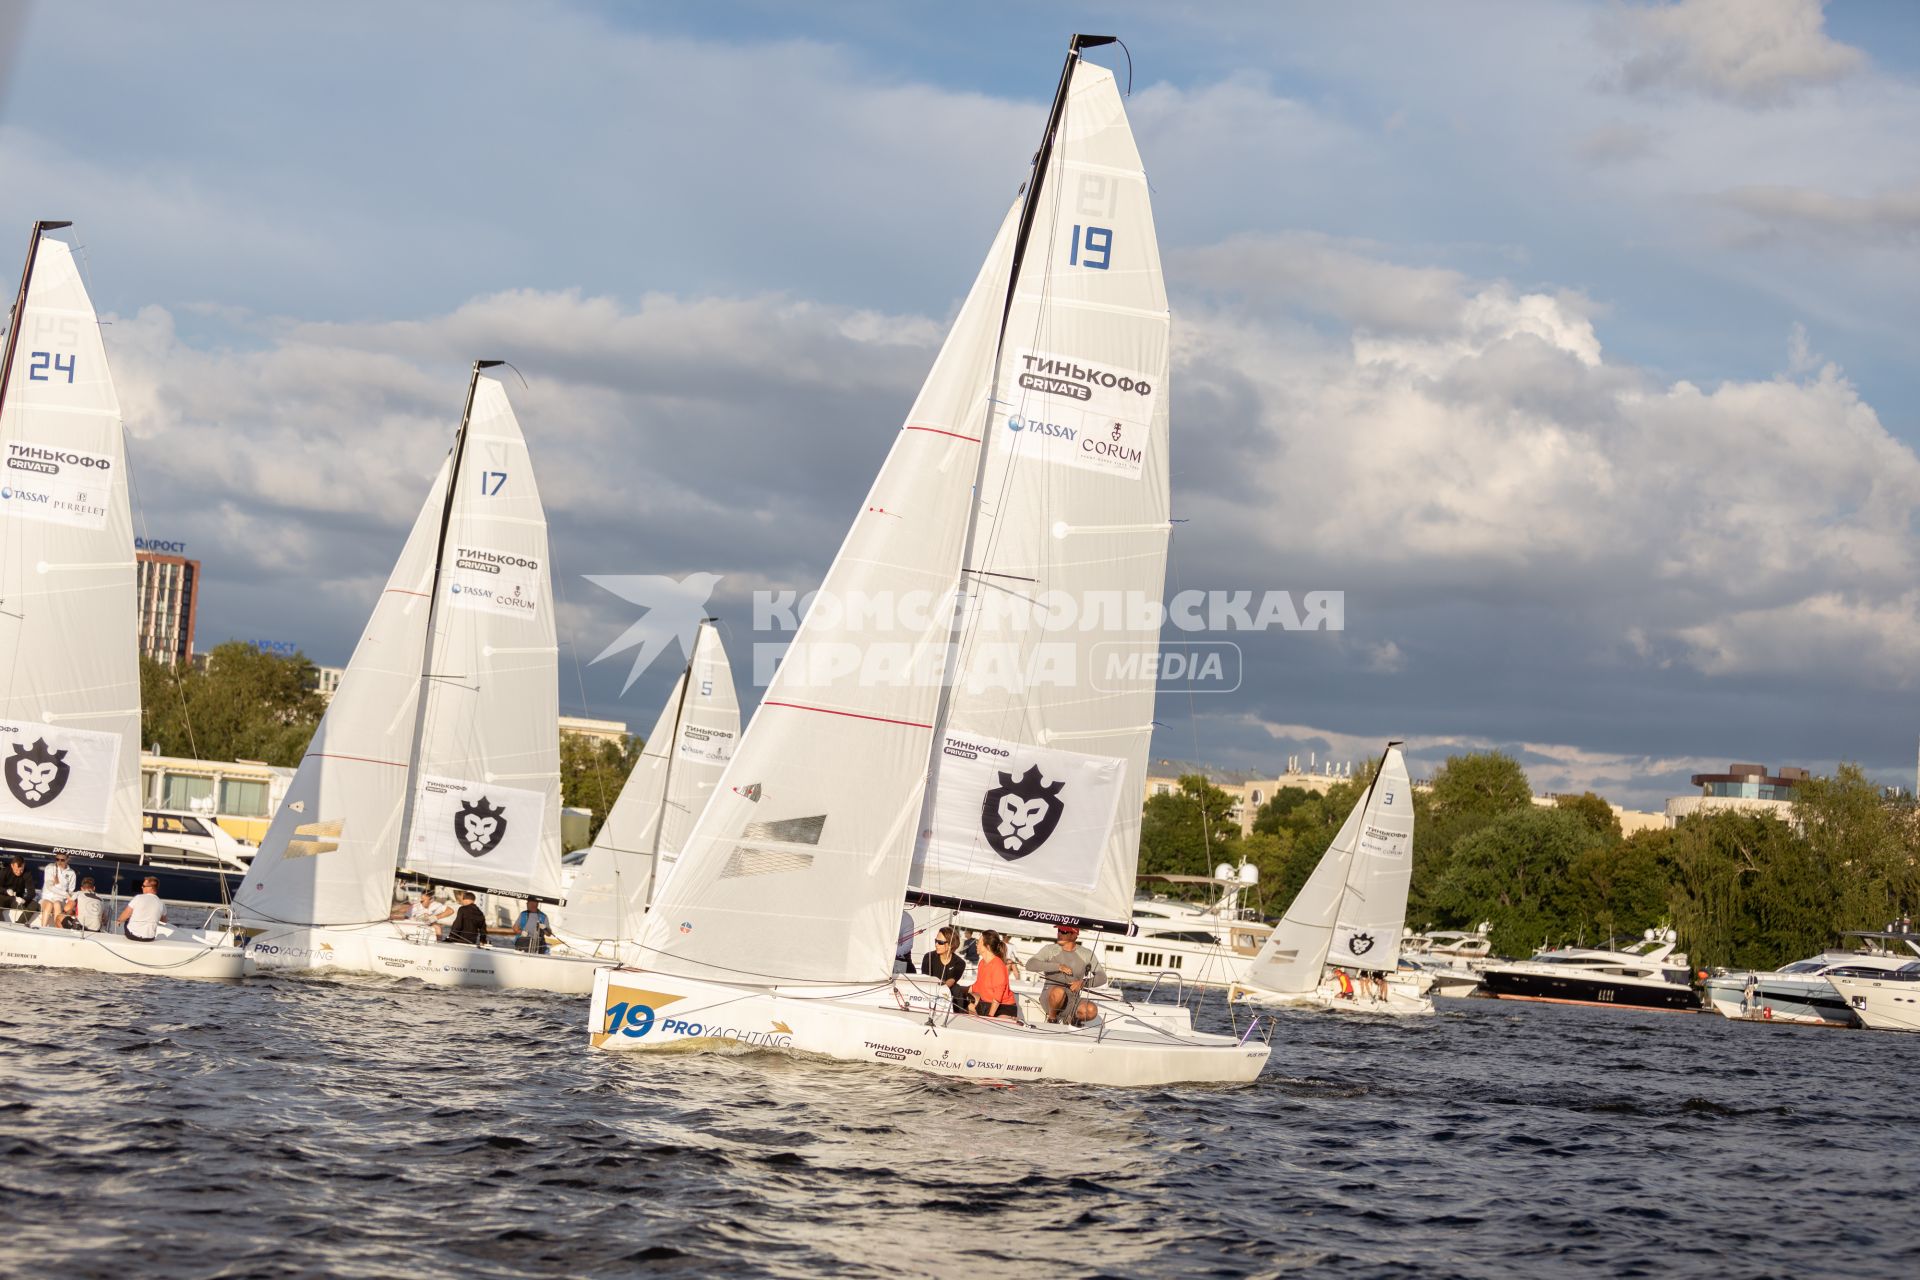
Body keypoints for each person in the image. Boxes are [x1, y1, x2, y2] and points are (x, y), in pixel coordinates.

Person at [1022, 924, 1107, 1025]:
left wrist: (1083, 983)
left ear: (1074, 935)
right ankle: (1052, 1019)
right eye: (1059, 931)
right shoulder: (1049, 949)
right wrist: (1058, 967)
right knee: (1059, 991)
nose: (1059, 934)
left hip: (1072, 1000)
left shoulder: (1087, 954)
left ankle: (1073, 1020)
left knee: (1091, 1010)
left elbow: (1102, 977)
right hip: (1050, 997)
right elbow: (1030, 965)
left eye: (1064, 932)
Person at [919, 926, 971, 1012]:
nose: (936, 944)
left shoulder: (960, 963)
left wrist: (941, 989)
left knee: (956, 989)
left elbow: (951, 981)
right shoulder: (928, 957)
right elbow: (926, 979)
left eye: (940, 942)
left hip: (948, 995)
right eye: (936, 941)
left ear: (950, 945)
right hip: (929, 994)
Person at [969, 930, 1018, 1020]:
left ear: (987, 947)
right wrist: (962, 991)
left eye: (979, 942)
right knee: (967, 1004)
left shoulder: (997, 965)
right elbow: (979, 985)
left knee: (996, 1024)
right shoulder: (982, 963)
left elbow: (998, 995)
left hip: (1003, 1007)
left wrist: (990, 1017)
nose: (976, 945)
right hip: (986, 1004)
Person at [117, 877, 167, 941]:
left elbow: (125, 915)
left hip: (132, 936)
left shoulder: (138, 898)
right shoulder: (161, 903)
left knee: (127, 919)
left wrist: (118, 921)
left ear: (151, 888)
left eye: (144, 886)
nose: (141, 887)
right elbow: (164, 921)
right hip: (149, 938)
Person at [37, 852, 77, 928]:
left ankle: (56, 930)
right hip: (46, 898)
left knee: (57, 904)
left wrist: (70, 902)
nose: (59, 862)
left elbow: (71, 891)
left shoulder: (71, 873)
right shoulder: (50, 867)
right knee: (49, 905)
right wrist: (65, 894)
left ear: (67, 860)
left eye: (62, 860)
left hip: (60, 900)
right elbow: (49, 887)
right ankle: (43, 928)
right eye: (57, 859)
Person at [0, 855, 35, 922]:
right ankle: (2, 925)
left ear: (24, 865)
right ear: (12, 866)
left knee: (34, 905)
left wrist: (24, 899)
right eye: (16, 870)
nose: (19, 872)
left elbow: (32, 892)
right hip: (3, 897)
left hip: (17, 899)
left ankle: (19, 924)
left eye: (21, 870)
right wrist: (6, 891)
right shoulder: (4, 870)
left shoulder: (27, 873)